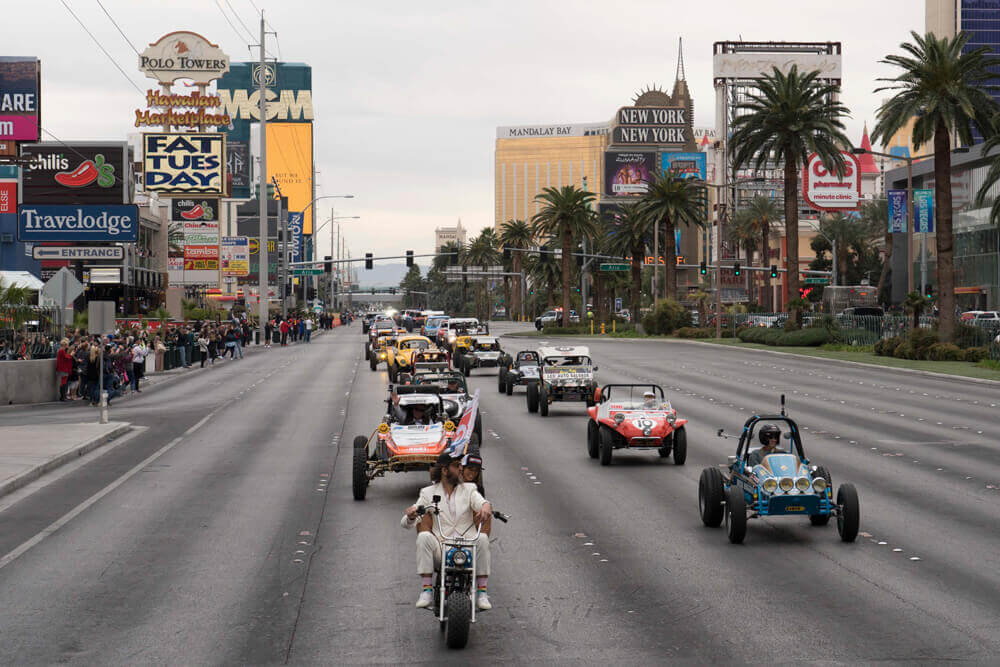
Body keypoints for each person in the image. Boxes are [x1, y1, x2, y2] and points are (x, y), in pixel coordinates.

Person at [401, 451, 493, 611]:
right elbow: (407, 522)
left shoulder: (470, 489)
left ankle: (482, 593)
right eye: (456, 466)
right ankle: (427, 591)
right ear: (445, 470)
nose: (460, 469)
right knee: (423, 537)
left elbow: (482, 502)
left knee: (483, 539)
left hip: (468, 546)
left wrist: (485, 506)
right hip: (441, 548)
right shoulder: (427, 493)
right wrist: (410, 515)